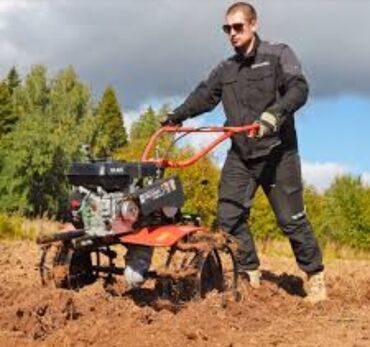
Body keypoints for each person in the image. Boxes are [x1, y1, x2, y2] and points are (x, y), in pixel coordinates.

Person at [161, 2, 327, 303]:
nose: (232, 34)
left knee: (291, 220)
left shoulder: (278, 54)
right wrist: (176, 116)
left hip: (278, 152)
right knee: (229, 216)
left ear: (253, 24)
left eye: (238, 27)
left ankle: (314, 275)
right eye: (227, 29)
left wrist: (274, 114)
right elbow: (204, 95)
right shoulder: (226, 69)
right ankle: (249, 271)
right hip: (241, 153)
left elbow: (298, 88)